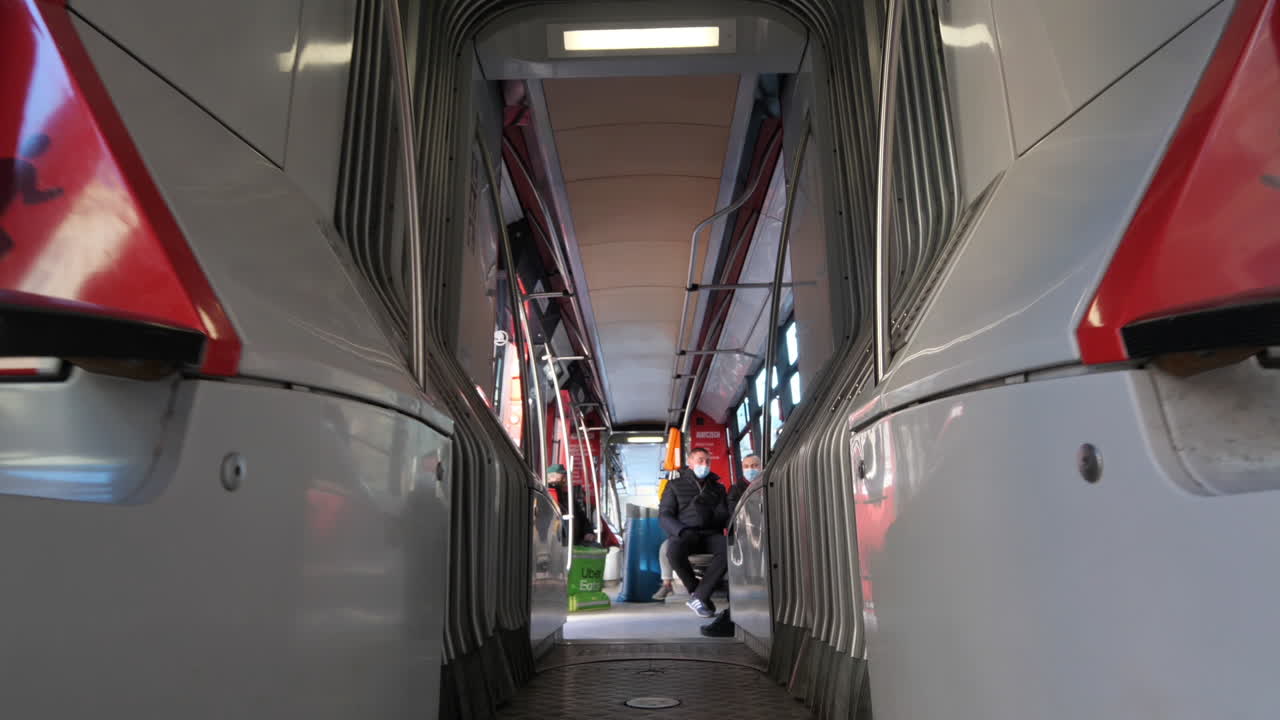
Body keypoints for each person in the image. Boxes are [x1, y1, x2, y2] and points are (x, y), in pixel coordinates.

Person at [659, 447, 730, 618]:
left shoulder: (718, 488)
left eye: (707, 461)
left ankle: (698, 597)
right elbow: (665, 514)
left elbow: (724, 514)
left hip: (710, 533)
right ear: (690, 463)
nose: (704, 465)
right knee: (673, 552)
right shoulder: (674, 486)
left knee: (729, 548)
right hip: (686, 533)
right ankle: (697, 592)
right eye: (700, 460)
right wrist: (681, 530)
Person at [701, 453, 764, 637]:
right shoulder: (736, 490)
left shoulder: (767, 484)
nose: (751, 469)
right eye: (747, 466)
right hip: (745, 539)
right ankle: (733, 615)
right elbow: (736, 517)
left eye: (755, 465)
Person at [547, 464, 595, 546]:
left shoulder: (569, 498)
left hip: (571, 544)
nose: (564, 481)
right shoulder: (545, 496)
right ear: (549, 479)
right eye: (561, 479)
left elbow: (583, 519)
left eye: (564, 479)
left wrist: (588, 532)